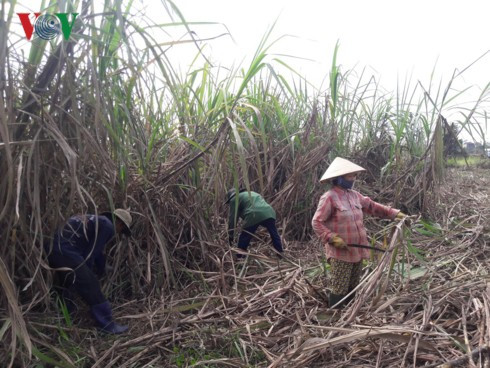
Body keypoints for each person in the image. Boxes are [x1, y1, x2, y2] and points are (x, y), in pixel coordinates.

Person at [311, 157, 407, 308]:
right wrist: (332, 238)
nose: (353, 179)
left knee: (353, 285)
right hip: (340, 253)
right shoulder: (329, 197)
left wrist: (394, 214)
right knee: (339, 287)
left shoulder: (354, 195)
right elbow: (316, 222)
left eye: (355, 175)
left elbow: (372, 206)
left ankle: (349, 313)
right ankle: (335, 313)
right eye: (350, 176)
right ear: (339, 178)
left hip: (357, 250)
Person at [44, 208, 132, 334]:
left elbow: (97, 252)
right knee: (91, 285)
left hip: (52, 248)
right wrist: (90, 275)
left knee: (67, 283)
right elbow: (91, 254)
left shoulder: (93, 219)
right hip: (67, 251)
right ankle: (107, 325)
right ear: (120, 224)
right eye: (121, 231)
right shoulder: (108, 226)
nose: (118, 233)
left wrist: (102, 267)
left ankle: (66, 318)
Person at [226, 188, 284, 259]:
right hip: (270, 212)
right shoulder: (252, 193)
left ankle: (240, 257)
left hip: (253, 214)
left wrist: (230, 235)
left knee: (245, 236)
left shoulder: (234, 199)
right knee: (274, 234)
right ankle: (280, 253)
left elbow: (233, 218)